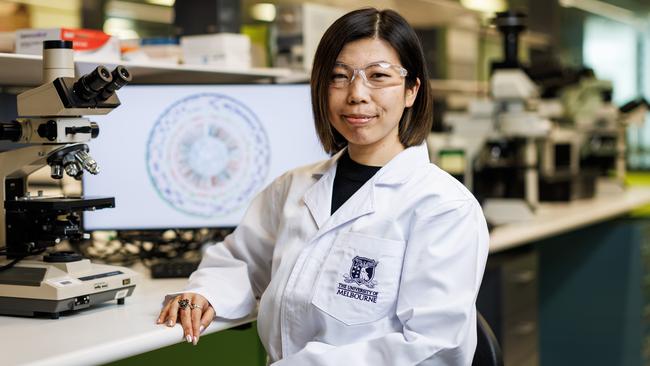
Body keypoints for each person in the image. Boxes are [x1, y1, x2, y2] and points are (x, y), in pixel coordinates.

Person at [157, 7, 489, 365]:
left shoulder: (443, 207)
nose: (357, 94)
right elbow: (242, 260)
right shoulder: (293, 187)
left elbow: (433, 346)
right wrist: (207, 292)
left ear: (411, 91)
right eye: (339, 76)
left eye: (378, 76)